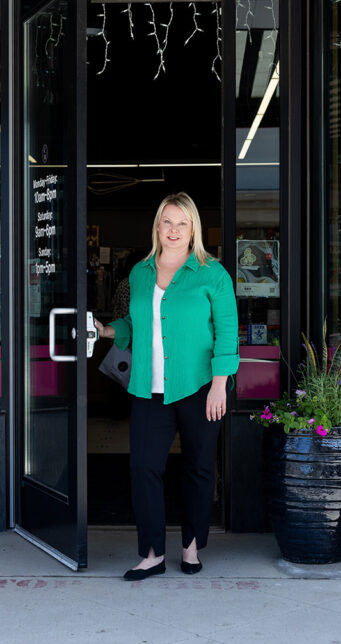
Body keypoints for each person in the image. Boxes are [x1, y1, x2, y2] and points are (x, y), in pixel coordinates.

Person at [94, 192, 239, 581]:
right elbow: (135, 324)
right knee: (143, 467)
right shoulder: (140, 272)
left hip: (200, 387)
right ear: (157, 226)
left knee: (197, 467)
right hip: (149, 389)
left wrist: (219, 386)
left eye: (182, 223)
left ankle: (190, 547)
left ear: (193, 230)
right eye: (167, 222)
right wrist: (108, 330)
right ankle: (152, 554)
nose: (174, 230)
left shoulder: (213, 274)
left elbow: (227, 334)